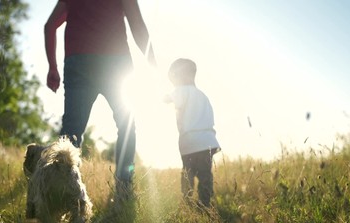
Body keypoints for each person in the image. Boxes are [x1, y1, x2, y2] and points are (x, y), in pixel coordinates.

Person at [44, 0, 156, 198]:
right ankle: (123, 188)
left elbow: (50, 25)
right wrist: (152, 63)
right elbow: (136, 24)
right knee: (127, 126)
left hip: (79, 62)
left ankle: (60, 189)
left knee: (71, 131)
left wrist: (52, 66)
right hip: (115, 62)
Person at [164, 58, 220, 208]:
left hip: (190, 142)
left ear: (181, 76)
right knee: (205, 175)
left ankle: (187, 202)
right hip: (208, 142)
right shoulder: (203, 96)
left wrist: (162, 97)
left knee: (188, 174)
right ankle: (205, 204)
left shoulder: (182, 90)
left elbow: (170, 98)